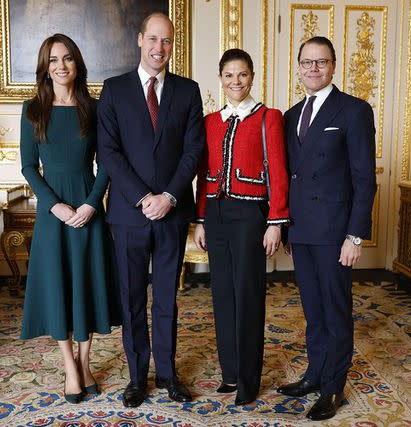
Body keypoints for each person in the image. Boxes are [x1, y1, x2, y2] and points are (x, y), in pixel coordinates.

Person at [97, 12, 205, 408]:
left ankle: (168, 374)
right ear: (140, 40)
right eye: (154, 39)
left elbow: (194, 150)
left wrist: (170, 197)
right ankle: (136, 377)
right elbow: (108, 152)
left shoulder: (188, 91)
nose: (161, 48)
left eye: (168, 41)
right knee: (130, 299)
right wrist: (144, 198)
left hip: (172, 214)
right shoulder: (114, 90)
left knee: (166, 299)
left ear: (173, 46)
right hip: (128, 214)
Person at [276, 36, 376, 421]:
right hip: (301, 231)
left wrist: (355, 236)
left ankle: (333, 387)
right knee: (313, 311)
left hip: (336, 234)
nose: (313, 69)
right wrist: (285, 227)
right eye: (306, 62)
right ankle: (315, 374)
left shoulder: (353, 110)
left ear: (333, 66)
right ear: (298, 66)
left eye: (321, 62)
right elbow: (289, 177)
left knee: (336, 312)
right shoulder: (290, 115)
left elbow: (364, 179)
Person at [19, 33, 121, 404]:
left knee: (87, 284)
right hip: (54, 213)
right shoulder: (32, 110)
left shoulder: (95, 110)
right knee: (61, 285)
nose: (61, 66)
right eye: (54, 60)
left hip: (88, 208)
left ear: (77, 64)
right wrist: (54, 206)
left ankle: (86, 361)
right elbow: (29, 167)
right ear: (45, 67)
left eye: (67, 59)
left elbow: (108, 163)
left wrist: (93, 204)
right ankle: (69, 366)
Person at [193, 48, 290, 406]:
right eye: (229, 75)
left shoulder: (269, 118)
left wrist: (276, 222)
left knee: (248, 295)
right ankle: (229, 373)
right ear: (220, 78)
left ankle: (249, 380)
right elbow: (203, 174)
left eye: (243, 75)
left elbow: (278, 173)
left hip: (251, 216)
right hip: (216, 215)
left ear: (252, 77)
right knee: (222, 296)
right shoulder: (210, 122)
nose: (236, 82)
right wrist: (201, 219)